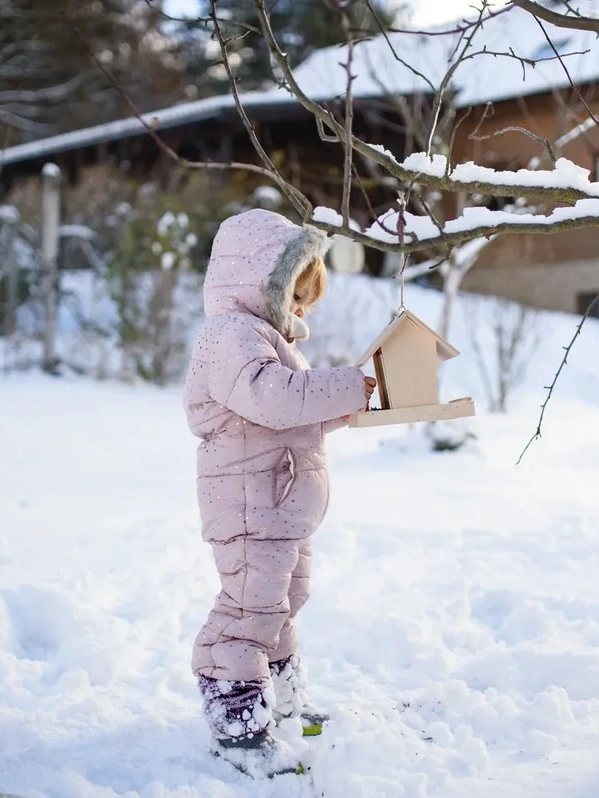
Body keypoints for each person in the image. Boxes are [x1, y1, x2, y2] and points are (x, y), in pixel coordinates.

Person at [183, 208, 376, 776]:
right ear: (256, 279)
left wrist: (352, 402)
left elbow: (295, 415)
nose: (299, 311)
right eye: (295, 294)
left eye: (305, 301)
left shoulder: (264, 339)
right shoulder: (228, 336)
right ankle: (236, 715)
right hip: (249, 504)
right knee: (250, 605)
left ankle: (283, 700)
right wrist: (347, 384)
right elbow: (274, 398)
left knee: (285, 601)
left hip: (281, 505)